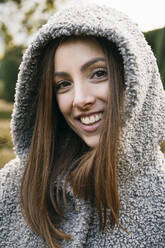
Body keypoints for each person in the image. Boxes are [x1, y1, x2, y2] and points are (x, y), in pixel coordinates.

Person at [0, 2, 165, 248]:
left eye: (99, 73)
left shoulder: (160, 199)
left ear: (134, 76)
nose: (80, 99)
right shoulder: (13, 186)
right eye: (63, 84)